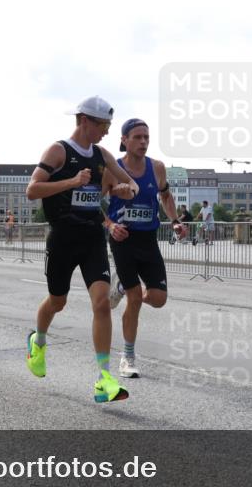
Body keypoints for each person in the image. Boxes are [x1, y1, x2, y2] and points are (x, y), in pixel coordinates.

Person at [24, 95, 138, 403]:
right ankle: (38, 341)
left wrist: (124, 190)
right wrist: (72, 182)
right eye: (103, 125)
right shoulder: (58, 150)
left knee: (101, 303)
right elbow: (32, 190)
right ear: (85, 121)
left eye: (109, 126)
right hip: (62, 238)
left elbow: (130, 184)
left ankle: (104, 379)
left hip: (92, 238)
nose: (106, 131)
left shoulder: (102, 155)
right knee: (57, 302)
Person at [103, 118, 186, 378]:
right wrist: (110, 225)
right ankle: (127, 357)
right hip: (123, 239)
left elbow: (166, 195)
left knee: (159, 299)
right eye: (137, 137)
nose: (143, 142)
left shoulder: (157, 167)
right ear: (124, 140)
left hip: (148, 240)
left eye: (146, 137)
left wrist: (175, 221)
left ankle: (120, 286)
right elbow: (95, 202)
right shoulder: (112, 168)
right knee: (135, 298)